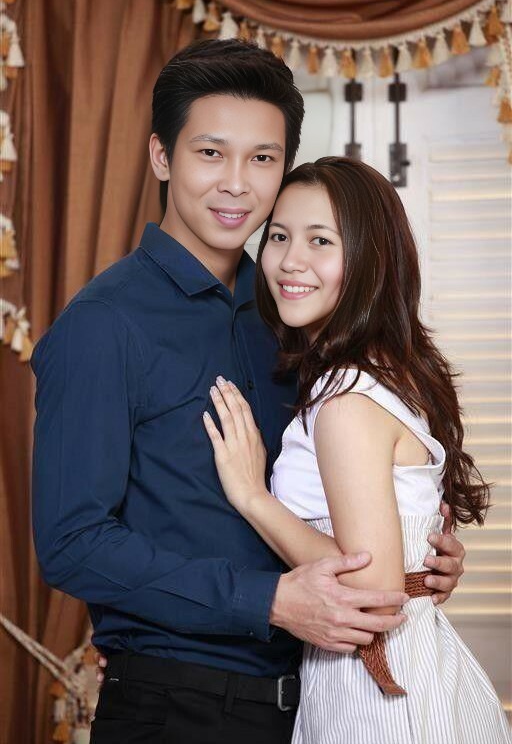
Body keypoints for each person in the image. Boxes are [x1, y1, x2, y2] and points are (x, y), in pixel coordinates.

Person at [31, 41, 465, 744]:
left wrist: (419, 562)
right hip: (180, 706)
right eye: (210, 153)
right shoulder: (103, 325)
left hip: (319, 697)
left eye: (263, 158)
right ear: (162, 157)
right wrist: (266, 601)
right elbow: (72, 544)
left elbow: (344, 487)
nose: (236, 184)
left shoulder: (292, 312)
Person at [203, 156, 511, 744]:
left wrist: (251, 496)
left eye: (320, 240)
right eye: (278, 236)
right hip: (410, 669)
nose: (291, 260)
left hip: (374, 693)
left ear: (371, 259)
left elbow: (372, 594)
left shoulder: (345, 399)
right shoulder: (387, 374)